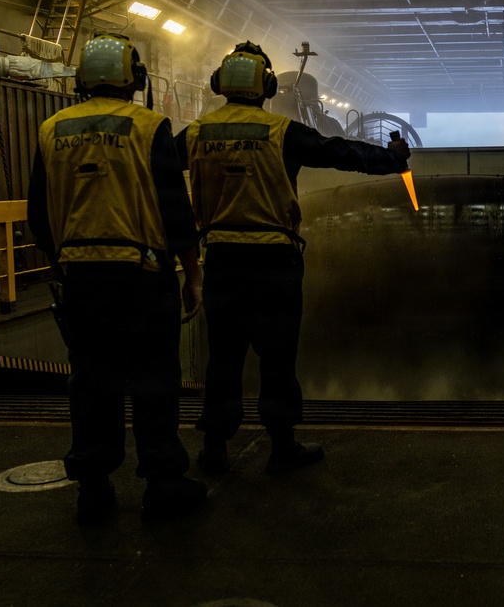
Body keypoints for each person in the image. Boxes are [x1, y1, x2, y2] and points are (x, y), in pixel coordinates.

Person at [175, 41, 411, 476]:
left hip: (222, 261)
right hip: (274, 264)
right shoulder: (283, 133)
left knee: (223, 358)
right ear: (266, 87)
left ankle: (214, 448)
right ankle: (282, 447)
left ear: (219, 85)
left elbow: (157, 178)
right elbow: (344, 153)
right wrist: (392, 160)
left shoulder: (193, 135)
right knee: (278, 357)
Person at [27, 33, 207, 525]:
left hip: (82, 282)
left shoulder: (50, 129)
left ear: (83, 79)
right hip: (144, 277)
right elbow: (176, 214)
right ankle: (164, 483)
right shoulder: (152, 128)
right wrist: (192, 276)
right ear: (136, 78)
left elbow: (39, 218)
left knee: (91, 382)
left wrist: (61, 268)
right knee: (155, 379)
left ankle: (93, 488)